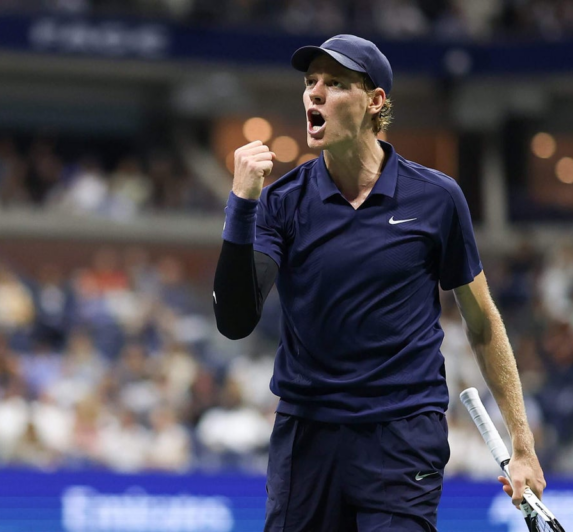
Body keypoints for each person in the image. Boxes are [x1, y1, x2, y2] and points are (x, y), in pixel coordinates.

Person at [213, 34, 546, 532]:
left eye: (335, 83)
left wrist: (523, 444)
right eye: (310, 83)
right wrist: (241, 206)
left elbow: (482, 325)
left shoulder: (436, 198)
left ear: (375, 102)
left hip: (402, 436)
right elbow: (235, 320)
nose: (314, 94)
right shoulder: (281, 202)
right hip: (307, 436)